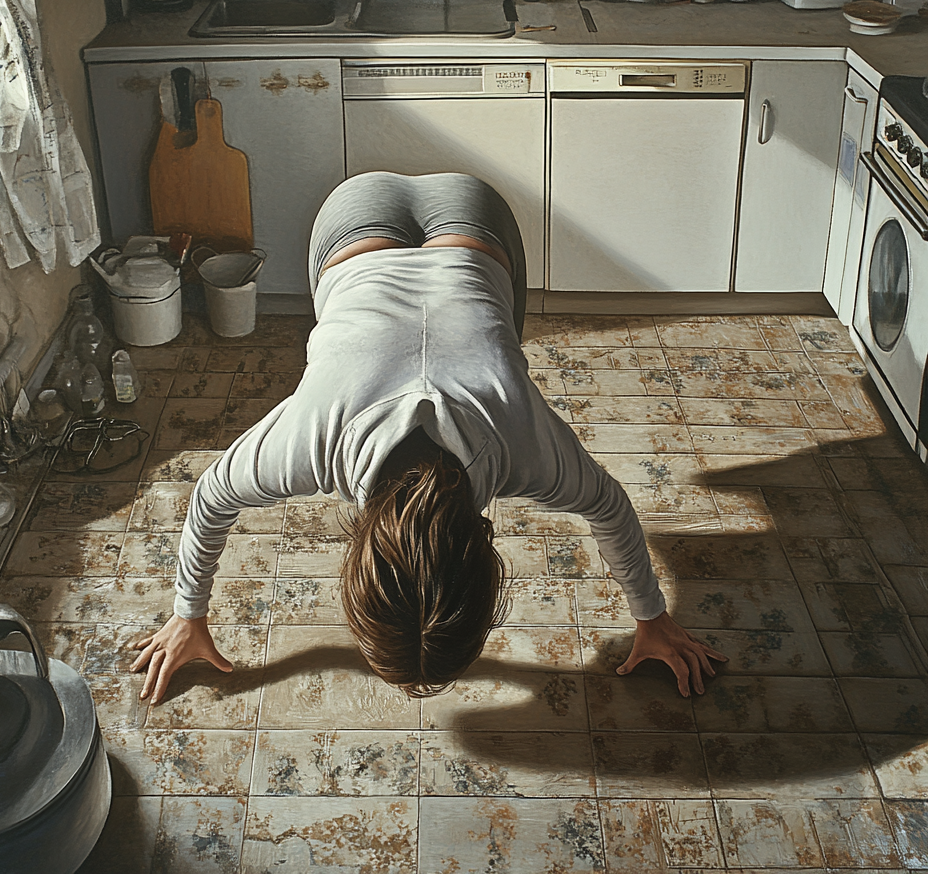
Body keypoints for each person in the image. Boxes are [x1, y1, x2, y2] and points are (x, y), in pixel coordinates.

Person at [132, 172, 727, 704]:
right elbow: (211, 494)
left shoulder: (515, 439)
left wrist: (653, 619)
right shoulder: (319, 438)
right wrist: (190, 615)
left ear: (487, 560)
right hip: (366, 222)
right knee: (481, 331)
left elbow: (607, 504)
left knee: (488, 331)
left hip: (449, 217)